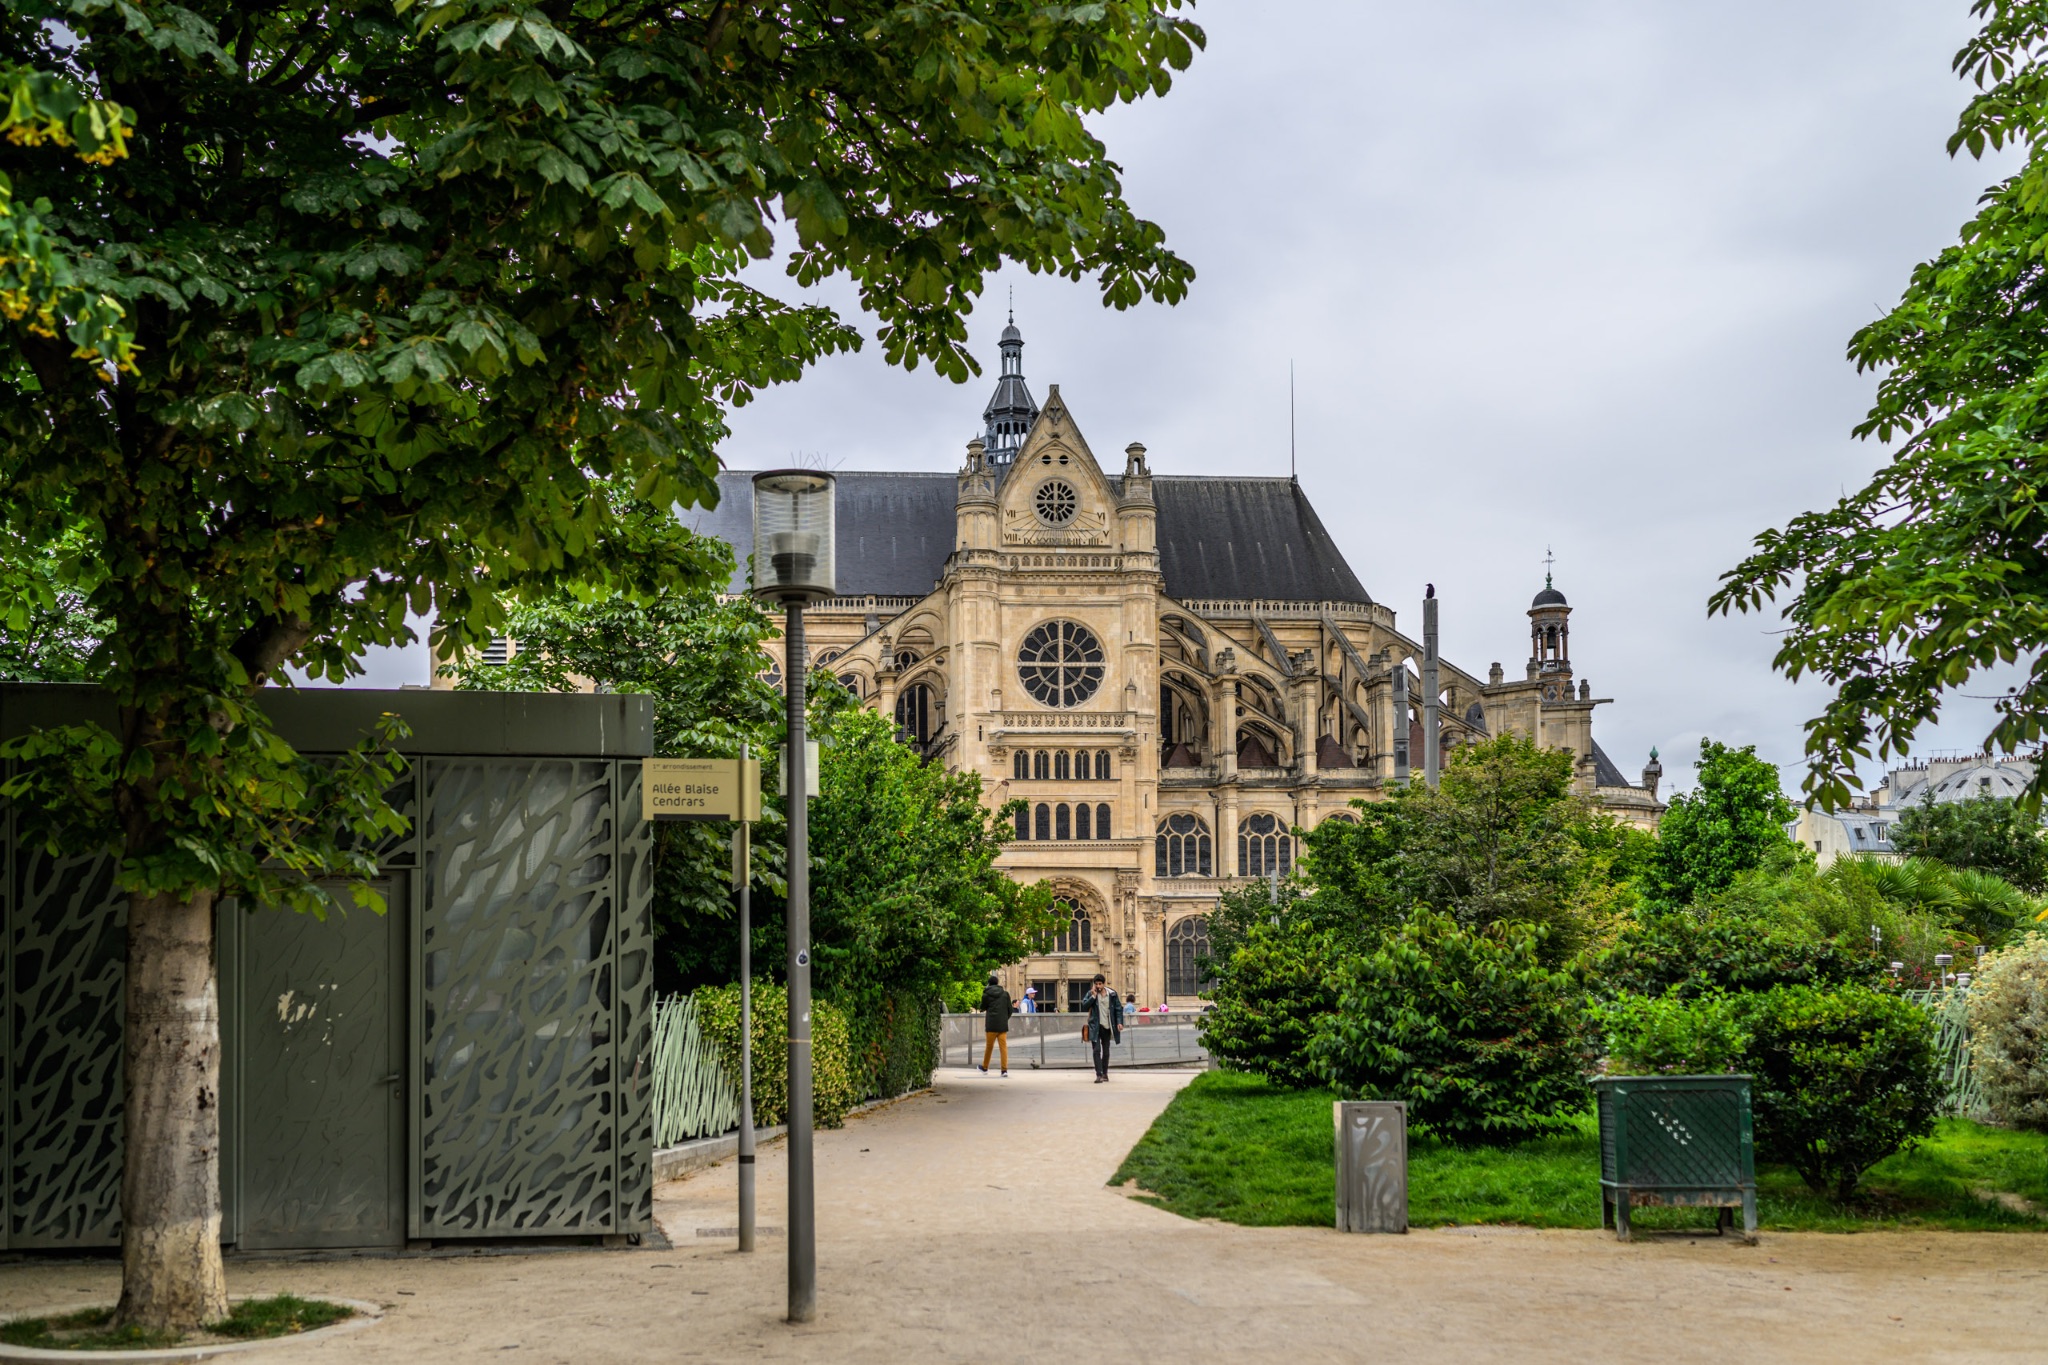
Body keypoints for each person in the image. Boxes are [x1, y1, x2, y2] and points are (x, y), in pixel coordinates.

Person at [1081, 973, 1122, 1083]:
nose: (1098, 986)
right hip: (1095, 1026)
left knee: (1106, 1051)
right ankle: (1098, 1074)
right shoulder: (1091, 994)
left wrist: (1119, 1022)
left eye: (1100, 984)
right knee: (1096, 1050)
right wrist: (1093, 996)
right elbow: (1084, 1006)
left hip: (1107, 1026)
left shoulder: (1112, 994)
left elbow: (1118, 1009)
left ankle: (1105, 1073)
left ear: (1104, 984)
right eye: (1096, 984)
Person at [980, 974, 1012, 1076]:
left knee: (989, 1047)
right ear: (998, 983)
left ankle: (985, 1067)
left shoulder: (986, 995)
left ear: (989, 983)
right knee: (1003, 1047)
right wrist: (1004, 1019)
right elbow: (1010, 1010)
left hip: (991, 1025)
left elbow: (982, 1007)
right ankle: (1004, 1070)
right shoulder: (1005, 994)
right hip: (1002, 1025)